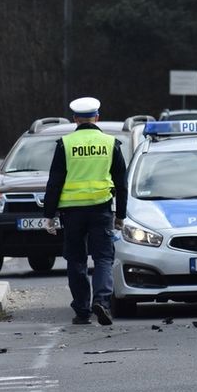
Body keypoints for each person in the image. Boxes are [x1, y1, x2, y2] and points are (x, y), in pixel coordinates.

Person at [43, 96, 128, 326]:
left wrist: (48, 216)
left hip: (72, 213)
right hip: (101, 209)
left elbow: (55, 182)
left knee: (76, 259)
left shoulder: (65, 144)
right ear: (97, 117)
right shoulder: (111, 143)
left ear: (75, 119)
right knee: (102, 258)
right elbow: (121, 183)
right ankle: (102, 301)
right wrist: (120, 215)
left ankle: (82, 310)